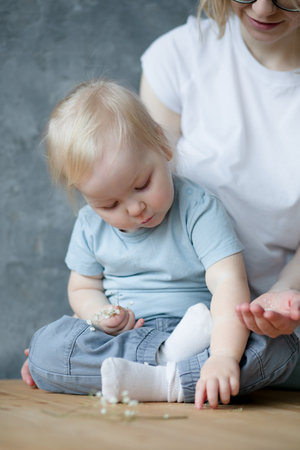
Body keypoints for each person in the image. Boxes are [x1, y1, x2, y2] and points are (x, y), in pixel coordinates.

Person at [23, 79, 298, 408]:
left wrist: (223, 356)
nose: (135, 208)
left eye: (142, 184)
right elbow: (82, 289)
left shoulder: (198, 208)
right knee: (46, 347)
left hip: (200, 332)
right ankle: (173, 377)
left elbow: (228, 282)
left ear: (162, 145)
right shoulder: (89, 226)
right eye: (109, 205)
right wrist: (100, 316)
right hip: (126, 337)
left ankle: (153, 378)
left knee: (278, 348)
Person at [139, 0, 300, 386]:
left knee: (265, 359)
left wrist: (285, 292)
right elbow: (138, 198)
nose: (262, 8)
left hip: (266, 323)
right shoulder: (178, 55)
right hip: (165, 305)